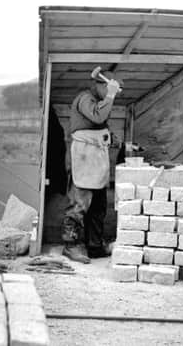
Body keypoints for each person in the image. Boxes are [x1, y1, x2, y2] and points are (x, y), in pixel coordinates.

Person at [62, 71, 122, 263]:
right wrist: (111, 95)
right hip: (84, 158)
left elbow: (99, 128)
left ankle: (94, 246)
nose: (111, 94)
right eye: (110, 89)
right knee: (79, 206)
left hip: (98, 160)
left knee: (98, 207)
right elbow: (97, 117)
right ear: (101, 85)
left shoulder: (100, 102)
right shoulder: (84, 99)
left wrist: (113, 139)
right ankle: (71, 246)